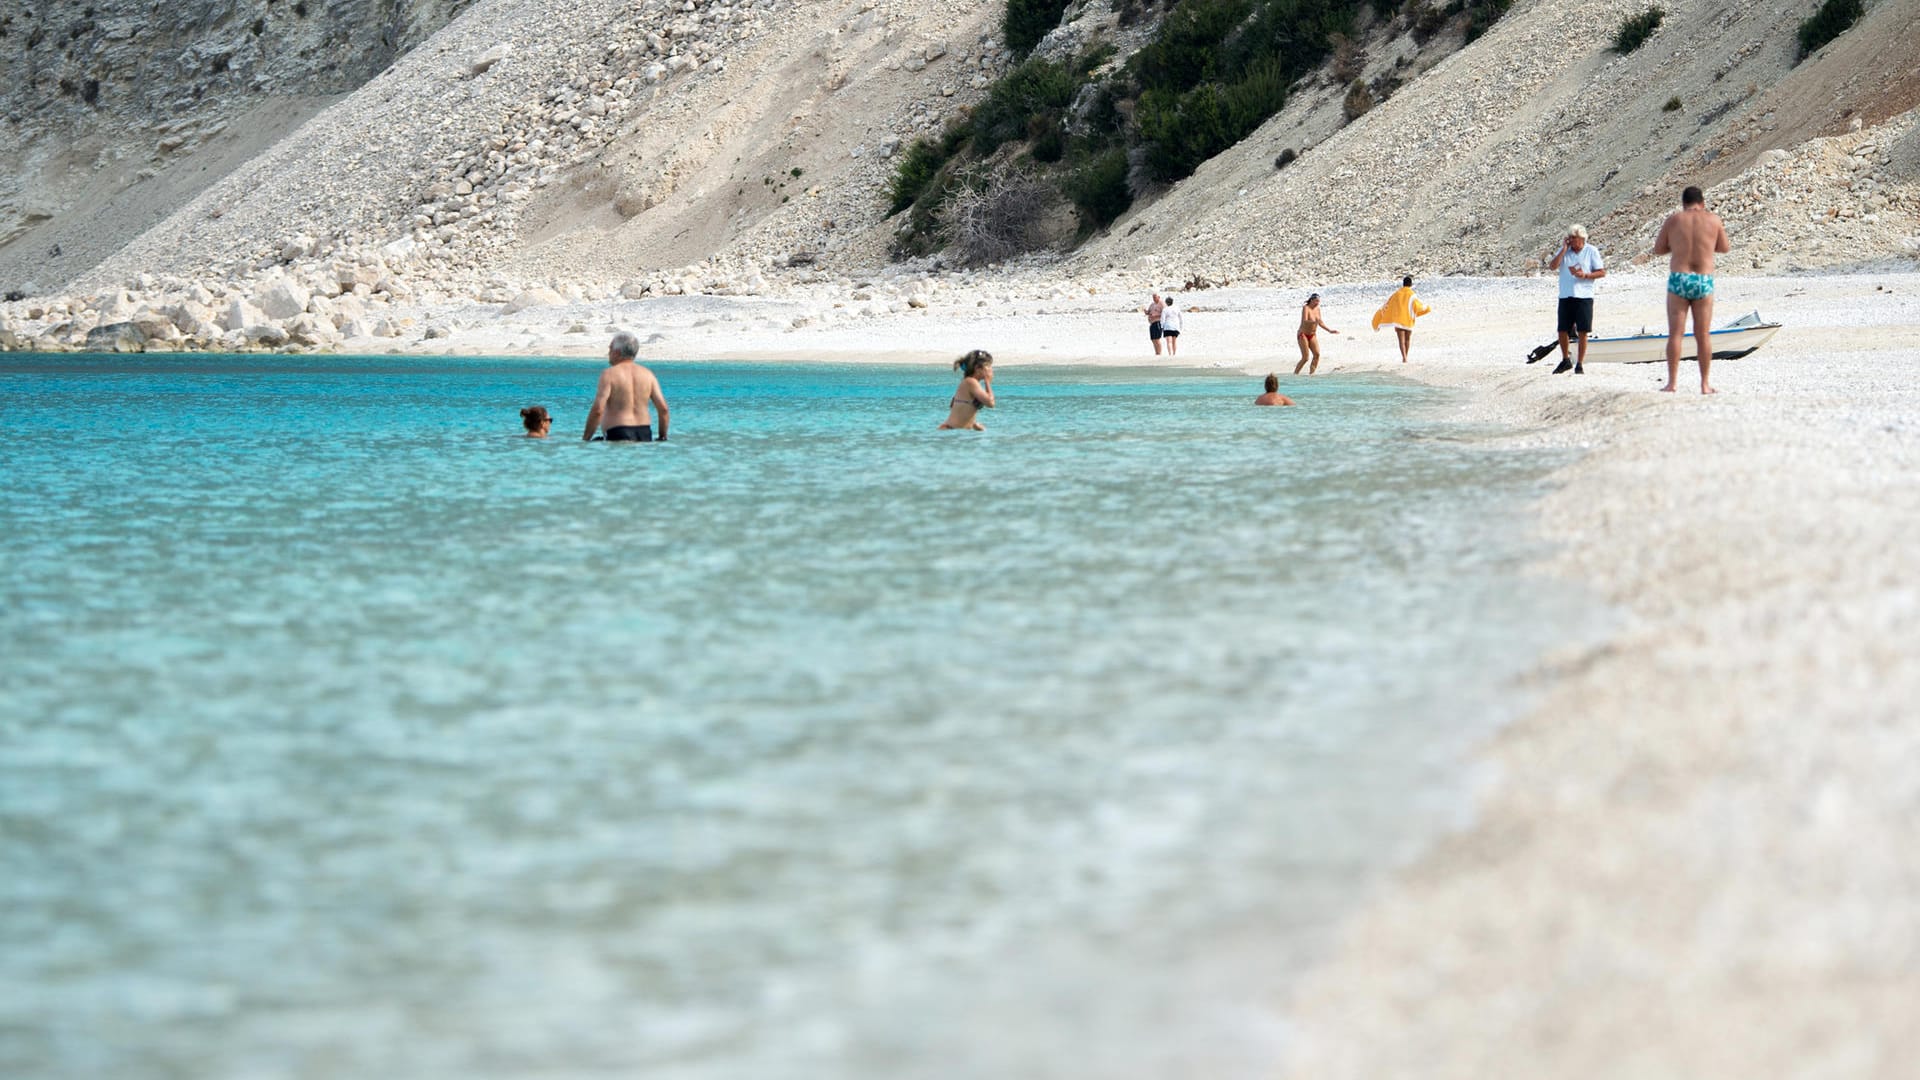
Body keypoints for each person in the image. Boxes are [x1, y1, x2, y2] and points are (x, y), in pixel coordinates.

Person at [1652, 185, 1732, 394]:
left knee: (1676, 334)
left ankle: (1672, 383)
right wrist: (1705, 244)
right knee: (1703, 334)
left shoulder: (1674, 220)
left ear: (1683, 203)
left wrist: (1678, 246)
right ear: (1702, 202)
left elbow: (1658, 249)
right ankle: (1705, 384)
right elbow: (1724, 248)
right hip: (1703, 279)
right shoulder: (1713, 220)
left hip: (1680, 278)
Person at [583, 331, 670, 441]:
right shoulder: (648, 374)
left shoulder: (609, 374)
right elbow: (664, 409)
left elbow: (598, 410)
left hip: (618, 433)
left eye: (610, 349)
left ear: (617, 352)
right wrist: (662, 436)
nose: (608, 353)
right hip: (644, 433)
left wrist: (585, 439)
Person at [1547, 224, 1606, 374]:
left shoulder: (1591, 251)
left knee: (1583, 330)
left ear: (1582, 238)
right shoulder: (1565, 251)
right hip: (1566, 295)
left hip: (1584, 295)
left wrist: (1585, 275)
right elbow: (1552, 266)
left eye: (1574, 238)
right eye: (1570, 238)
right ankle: (1565, 359)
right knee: (1562, 329)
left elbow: (1601, 272)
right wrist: (1564, 249)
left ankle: (1580, 363)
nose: (1571, 241)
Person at [1370, 276, 1430, 363]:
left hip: (1398, 320)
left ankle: (1404, 358)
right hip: (1408, 320)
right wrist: (1427, 307)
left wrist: (1381, 317)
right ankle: (1406, 356)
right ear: (1411, 284)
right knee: (1407, 339)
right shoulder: (1412, 294)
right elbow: (1417, 306)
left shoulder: (1396, 294)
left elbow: (1387, 305)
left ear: (1403, 284)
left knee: (1401, 341)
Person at [939, 349, 995, 430]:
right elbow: (991, 403)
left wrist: (972, 424)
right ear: (977, 368)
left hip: (955, 431)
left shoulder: (967, 383)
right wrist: (988, 381)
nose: (991, 369)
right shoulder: (970, 382)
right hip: (952, 431)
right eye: (988, 366)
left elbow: (955, 406)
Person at [1293, 293, 1338, 374]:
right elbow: (1305, 321)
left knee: (1317, 354)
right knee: (1305, 358)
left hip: (1312, 334)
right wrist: (1314, 321)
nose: (1318, 303)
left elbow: (1320, 322)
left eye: (1319, 301)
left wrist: (1329, 330)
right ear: (1312, 300)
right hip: (1303, 334)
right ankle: (1295, 374)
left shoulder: (1317, 309)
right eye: (1316, 301)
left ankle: (1311, 374)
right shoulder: (1306, 308)